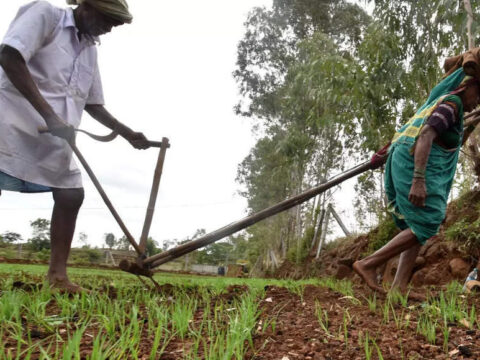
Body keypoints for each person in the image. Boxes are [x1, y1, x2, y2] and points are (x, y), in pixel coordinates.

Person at [0, 0, 150, 293]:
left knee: (71, 194)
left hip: (55, 135)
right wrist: (48, 114)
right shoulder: (47, 15)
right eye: (109, 20)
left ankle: (57, 278)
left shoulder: (89, 49)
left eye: (114, 24)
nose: (109, 29)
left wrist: (127, 133)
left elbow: (93, 104)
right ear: (87, 6)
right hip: (9, 122)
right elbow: (9, 56)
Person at [353, 67, 480, 298]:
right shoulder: (452, 104)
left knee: (416, 224)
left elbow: (449, 138)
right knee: (429, 220)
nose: (477, 103)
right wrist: (418, 180)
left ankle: (398, 288)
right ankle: (368, 264)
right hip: (412, 162)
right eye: (479, 96)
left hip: (401, 158)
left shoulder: (449, 107)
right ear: (466, 86)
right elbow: (426, 135)